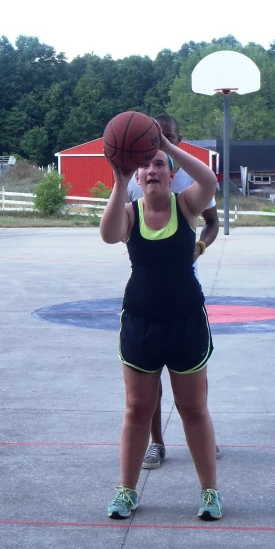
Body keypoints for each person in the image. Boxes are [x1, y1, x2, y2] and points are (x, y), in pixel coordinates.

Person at [100, 130, 223, 521]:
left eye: (159, 165)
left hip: (186, 323)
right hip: (140, 325)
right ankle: (126, 491)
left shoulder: (186, 205)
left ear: (170, 176)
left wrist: (168, 147)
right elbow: (107, 235)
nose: (152, 170)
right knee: (137, 408)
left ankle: (209, 493)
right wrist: (119, 182)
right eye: (145, 166)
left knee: (192, 408)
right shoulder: (131, 213)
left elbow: (210, 182)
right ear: (138, 177)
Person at [126, 115, 220, 470]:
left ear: (177, 139)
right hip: (150, 281)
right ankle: (156, 442)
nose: (160, 141)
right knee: (147, 377)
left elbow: (212, 223)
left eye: (166, 136)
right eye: (155, 136)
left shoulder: (187, 176)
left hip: (185, 283)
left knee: (194, 374)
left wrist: (199, 248)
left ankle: (203, 433)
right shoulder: (140, 177)